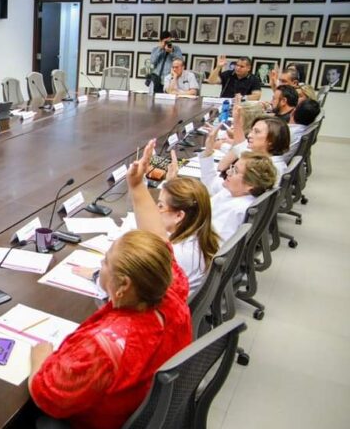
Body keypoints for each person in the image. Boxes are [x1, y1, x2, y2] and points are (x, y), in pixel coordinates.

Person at [29, 139, 192, 428]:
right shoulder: (172, 289)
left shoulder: (103, 346)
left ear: (123, 286)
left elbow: (47, 395)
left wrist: (39, 355)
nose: (101, 266)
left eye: (106, 263)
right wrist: (137, 185)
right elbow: (159, 243)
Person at [195, 127, 277, 241]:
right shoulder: (235, 191)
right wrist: (208, 149)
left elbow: (212, 246)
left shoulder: (236, 210)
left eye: (235, 171)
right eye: (232, 167)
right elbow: (210, 185)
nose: (228, 171)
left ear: (250, 184)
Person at [160, 159, 221, 294]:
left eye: (160, 206)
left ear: (179, 216)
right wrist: (171, 183)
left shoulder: (177, 254)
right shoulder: (203, 230)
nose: (156, 210)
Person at [218, 116, 290, 187]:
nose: (249, 135)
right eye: (251, 130)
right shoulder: (264, 160)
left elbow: (221, 168)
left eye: (256, 132)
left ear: (272, 140)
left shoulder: (267, 170)